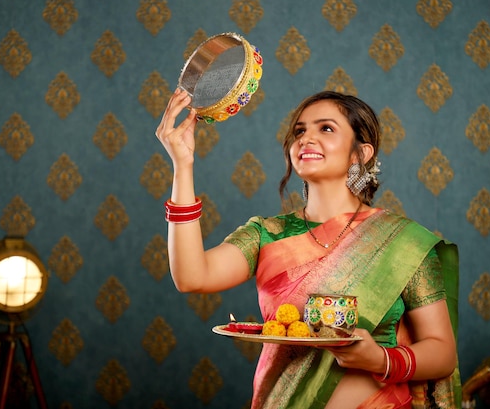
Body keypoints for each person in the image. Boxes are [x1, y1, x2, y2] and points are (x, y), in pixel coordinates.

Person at [156, 89, 461, 409]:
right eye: (299, 131)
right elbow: (191, 276)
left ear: (360, 153)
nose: (305, 138)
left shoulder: (403, 242)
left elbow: (442, 353)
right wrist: (183, 164)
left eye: (325, 128)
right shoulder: (267, 234)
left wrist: (380, 360)